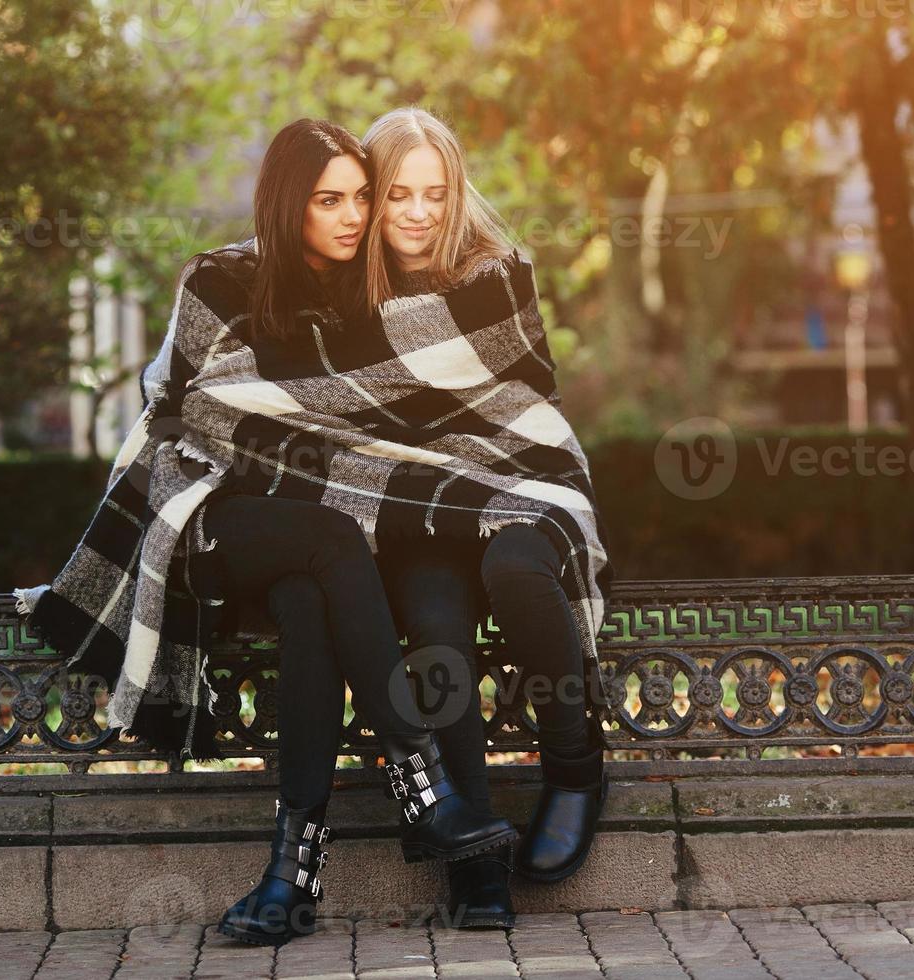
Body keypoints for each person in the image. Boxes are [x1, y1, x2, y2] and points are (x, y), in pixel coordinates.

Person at [116, 118, 518, 947]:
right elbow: (181, 407)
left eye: (360, 198)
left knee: (310, 596)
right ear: (288, 203)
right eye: (329, 200)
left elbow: (357, 436)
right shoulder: (221, 281)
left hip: (304, 537)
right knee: (329, 541)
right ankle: (423, 791)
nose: (351, 215)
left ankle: (290, 882)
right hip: (205, 515)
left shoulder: (361, 301)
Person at [358, 106, 612, 917]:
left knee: (514, 570)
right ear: (371, 197)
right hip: (416, 506)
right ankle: (475, 855)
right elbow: (333, 420)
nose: (421, 213)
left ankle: (575, 768)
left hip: (519, 482)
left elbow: (530, 407)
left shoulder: (497, 275)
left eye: (436, 192)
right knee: (435, 627)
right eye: (399, 194)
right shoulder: (339, 299)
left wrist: (485, 476)